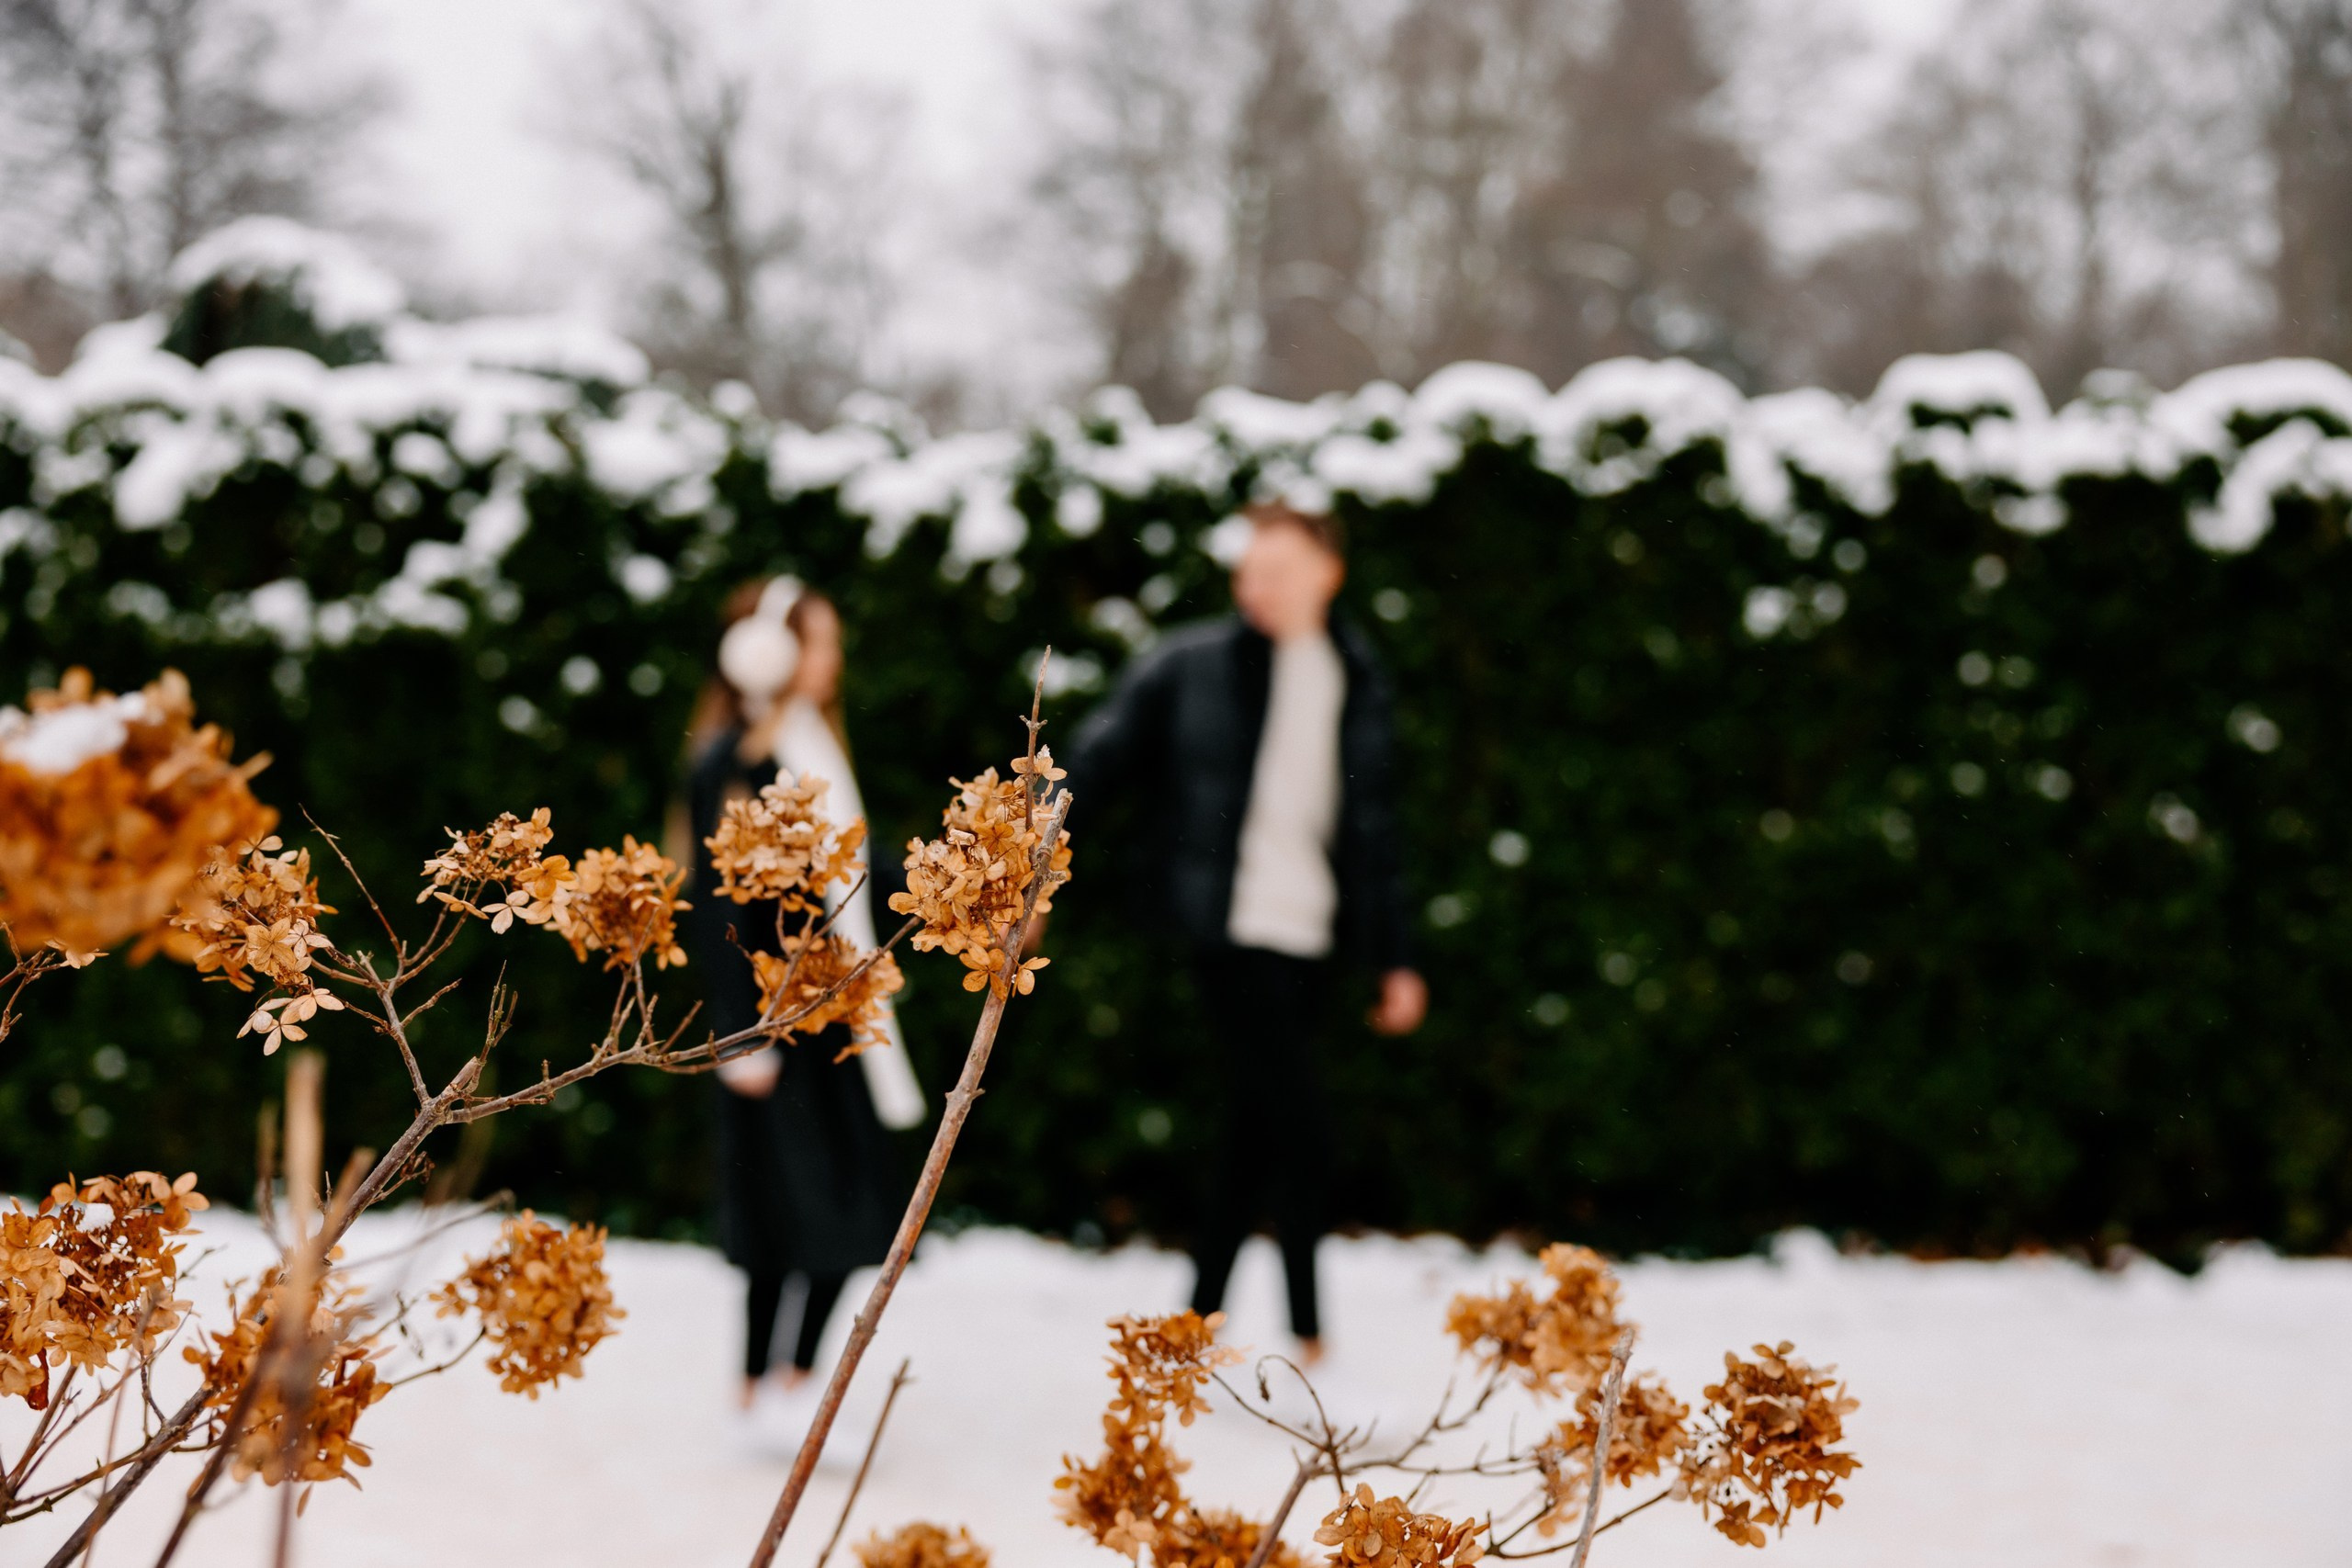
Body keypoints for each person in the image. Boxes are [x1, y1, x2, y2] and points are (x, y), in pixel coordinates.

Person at [1065, 500, 1427, 1360]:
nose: (1252, 589)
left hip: (1314, 936)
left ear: (1325, 573)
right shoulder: (1192, 664)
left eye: (1273, 571)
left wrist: (1397, 957)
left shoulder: (1357, 677)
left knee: (1256, 1131)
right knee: (1303, 1129)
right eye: (1245, 572)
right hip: (1227, 930)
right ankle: (1307, 1336)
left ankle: (1196, 1330)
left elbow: (1376, 833)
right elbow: (1095, 758)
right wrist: (1030, 857)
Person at [679, 577, 926, 1443]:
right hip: (775, 1024)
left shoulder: (812, 742)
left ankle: (789, 1380)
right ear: (770, 653)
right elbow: (718, 909)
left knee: (840, 1204)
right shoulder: (737, 763)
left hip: (833, 1011)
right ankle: (761, 1388)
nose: (832, 659)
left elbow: (850, 871)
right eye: (816, 642)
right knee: (786, 1211)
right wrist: (742, 1033)